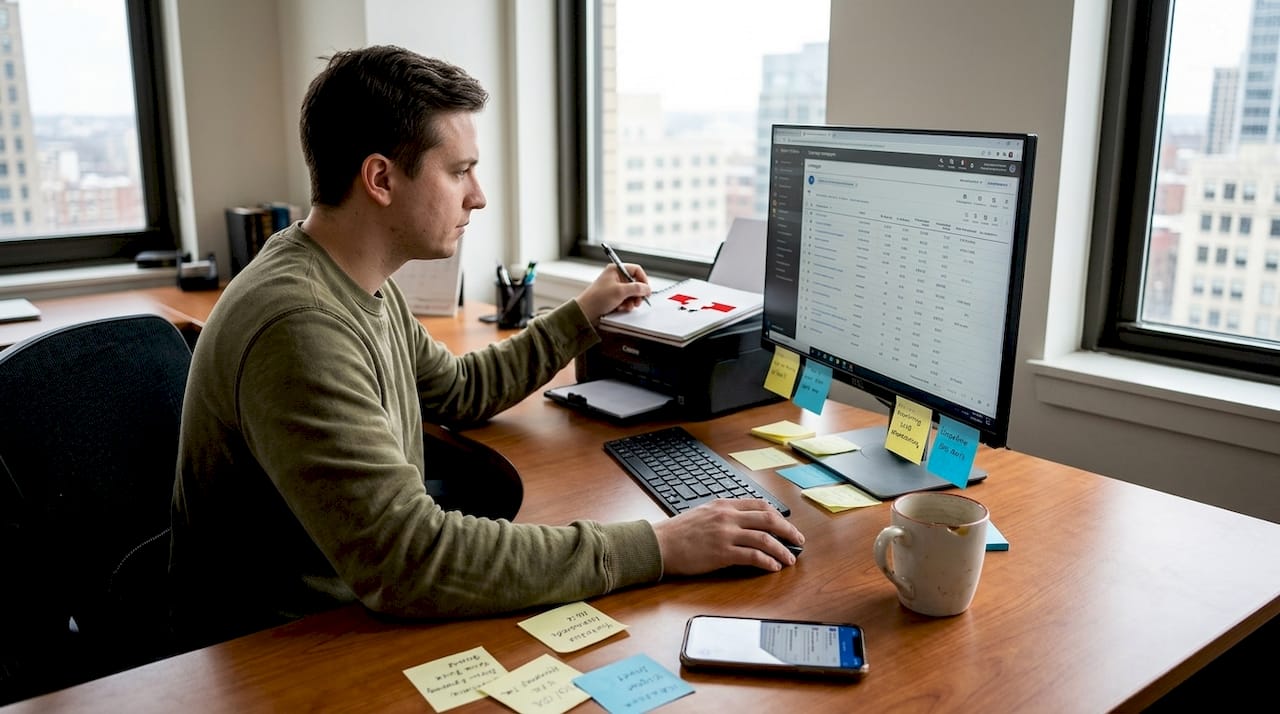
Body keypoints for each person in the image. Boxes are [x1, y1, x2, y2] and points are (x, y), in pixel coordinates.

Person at [168, 45, 803, 648]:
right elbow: (411, 560)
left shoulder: (352, 277)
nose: (478, 195)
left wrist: (583, 313)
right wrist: (660, 546)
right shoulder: (302, 324)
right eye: (459, 171)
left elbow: (458, 390)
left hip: (355, 596)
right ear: (380, 178)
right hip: (284, 646)